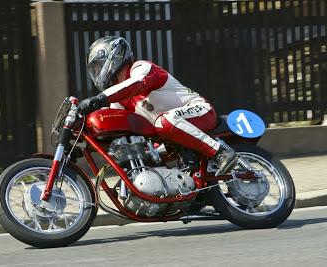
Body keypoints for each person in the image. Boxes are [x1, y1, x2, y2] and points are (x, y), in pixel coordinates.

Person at [78, 36, 238, 175]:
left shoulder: (141, 68)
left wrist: (99, 99)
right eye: (95, 69)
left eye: (98, 66)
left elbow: (136, 84)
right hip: (170, 137)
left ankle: (221, 152)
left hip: (200, 111)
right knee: (146, 153)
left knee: (165, 121)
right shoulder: (118, 100)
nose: (97, 71)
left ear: (113, 57)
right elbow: (115, 128)